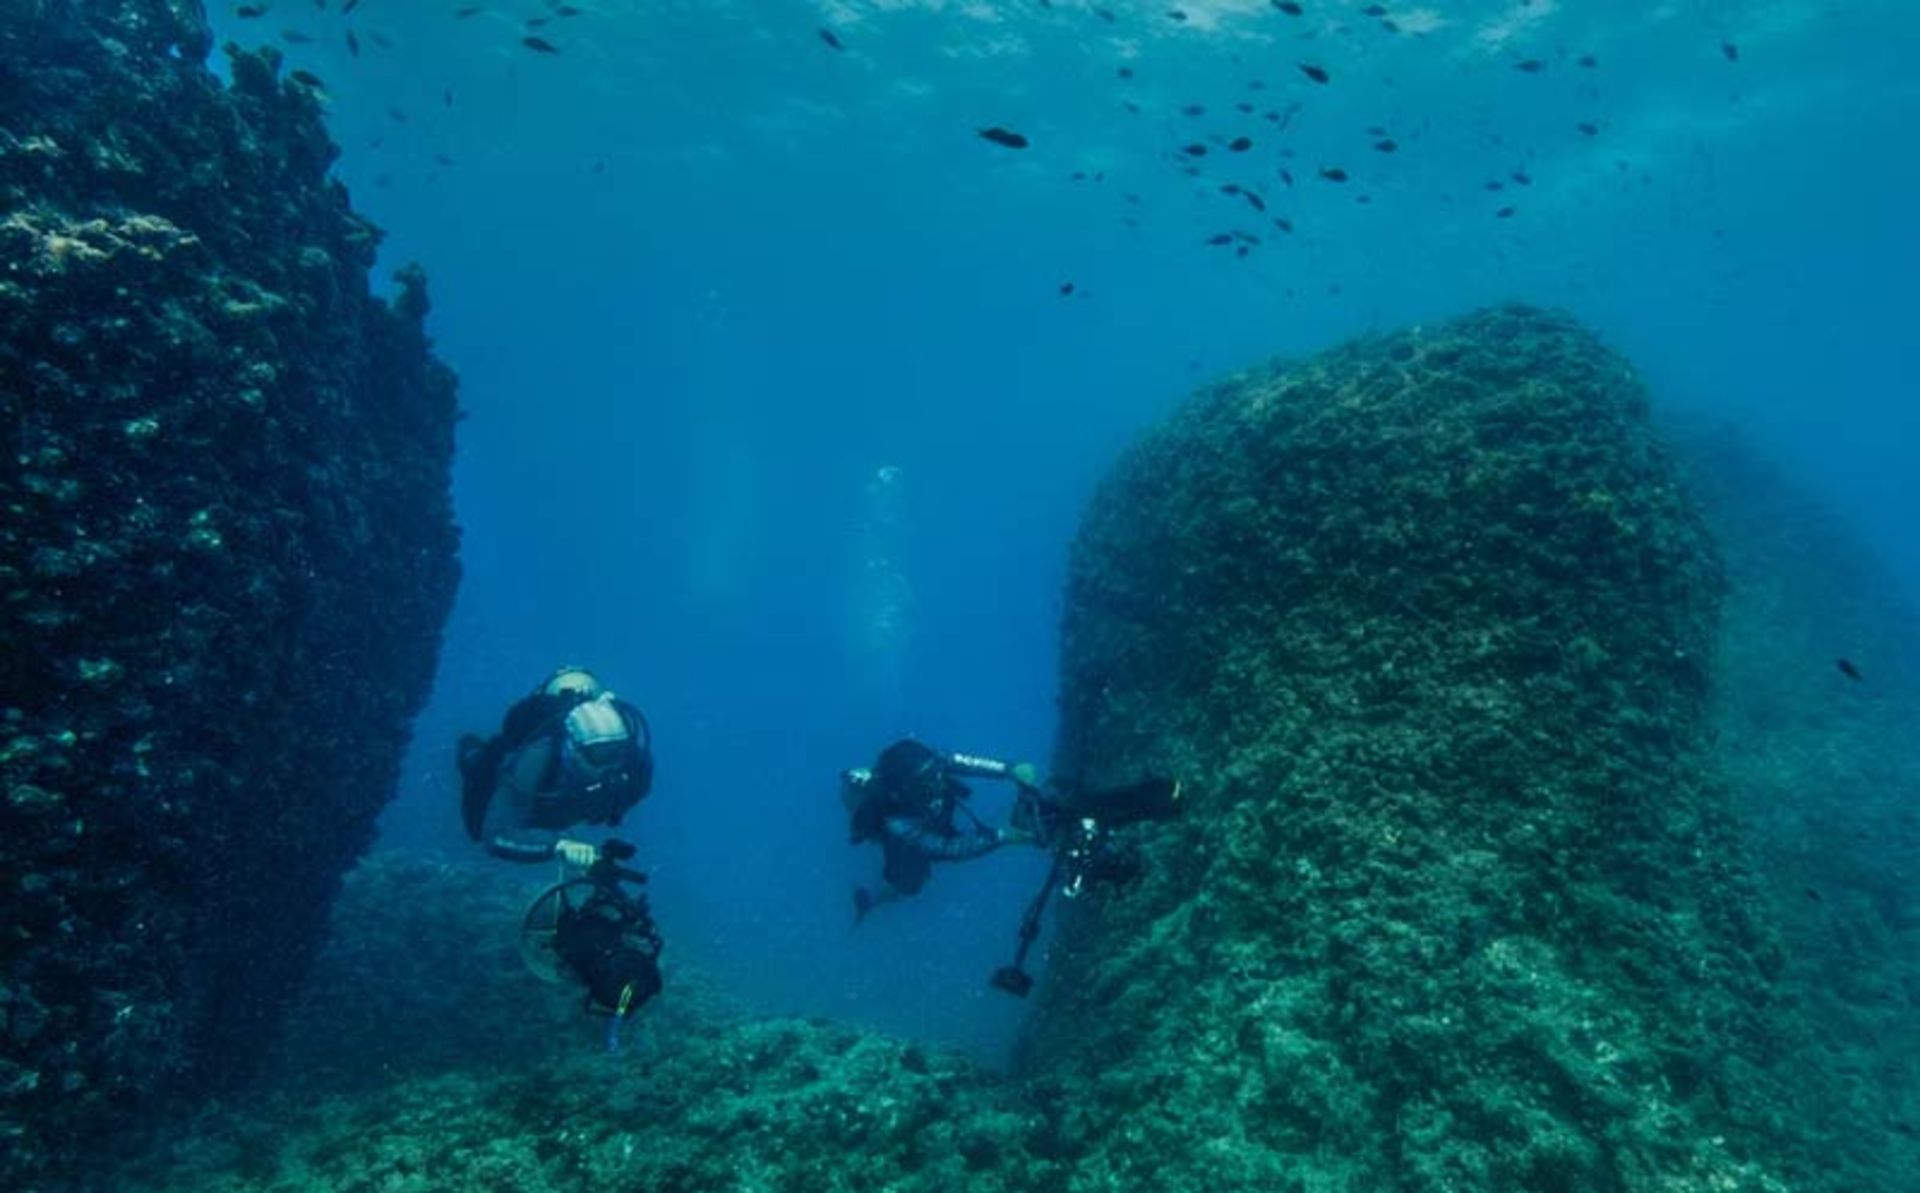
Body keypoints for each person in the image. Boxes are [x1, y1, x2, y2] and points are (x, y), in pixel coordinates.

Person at [457, 666, 653, 866]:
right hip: (533, 804)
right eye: (598, 755)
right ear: (573, 750)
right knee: (480, 785)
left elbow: (633, 791)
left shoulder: (634, 764)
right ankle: (473, 752)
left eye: (617, 752)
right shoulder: (537, 759)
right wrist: (558, 845)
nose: (610, 765)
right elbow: (496, 835)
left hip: (565, 805)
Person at [841, 737, 1043, 923]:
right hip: (913, 833)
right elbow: (947, 849)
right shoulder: (896, 824)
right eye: (926, 780)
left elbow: (964, 763)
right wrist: (1002, 836)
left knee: (925, 855)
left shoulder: (930, 763)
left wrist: (1009, 769)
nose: (937, 778)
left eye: (935, 772)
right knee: (909, 884)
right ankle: (873, 898)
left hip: (926, 815)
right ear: (907, 787)